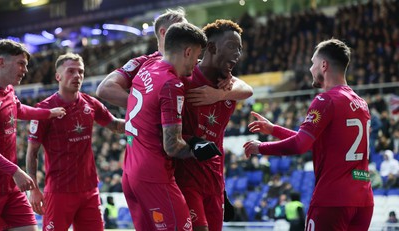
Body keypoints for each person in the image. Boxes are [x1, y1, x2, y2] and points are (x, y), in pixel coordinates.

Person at [243, 38, 374, 231]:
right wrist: (274, 129)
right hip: (363, 199)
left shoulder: (325, 99)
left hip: (332, 199)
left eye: (312, 63)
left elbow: (300, 145)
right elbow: (314, 141)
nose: (310, 69)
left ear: (323, 65)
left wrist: (260, 147)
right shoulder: (360, 102)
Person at [122, 22, 218, 231]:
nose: (197, 62)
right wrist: (196, 149)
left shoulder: (148, 67)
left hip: (130, 174)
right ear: (187, 51)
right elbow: (172, 146)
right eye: (196, 56)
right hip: (154, 176)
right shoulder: (171, 84)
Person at [26, 53, 125, 231]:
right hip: (59, 192)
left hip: (89, 190)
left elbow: (116, 126)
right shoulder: (43, 109)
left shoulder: (91, 103)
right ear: (58, 76)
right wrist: (33, 189)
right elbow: (32, 151)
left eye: (80, 71)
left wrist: (145, 119)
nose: (77, 76)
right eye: (71, 71)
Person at [174, 19, 253, 231]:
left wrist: (218, 94)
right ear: (211, 47)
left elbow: (248, 89)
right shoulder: (186, 80)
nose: (237, 54)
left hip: (215, 181)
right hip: (187, 176)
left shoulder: (228, 86)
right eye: (231, 47)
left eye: (240, 49)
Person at [96, 8, 241, 109]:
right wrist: (142, 109)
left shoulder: (191, 61)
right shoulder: (141, 63)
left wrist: (221, 94)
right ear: (164, 32)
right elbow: (105, 88)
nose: (186, 33)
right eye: (179, 28)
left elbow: (245, 88)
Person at [0, 39, 66, 231]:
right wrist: (15, 171)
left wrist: (48, 113)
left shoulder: (9, 91)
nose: (25, 70)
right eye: (21, 64)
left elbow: (19, 110)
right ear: (1, 62)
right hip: (12, 175)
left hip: (10, 186)